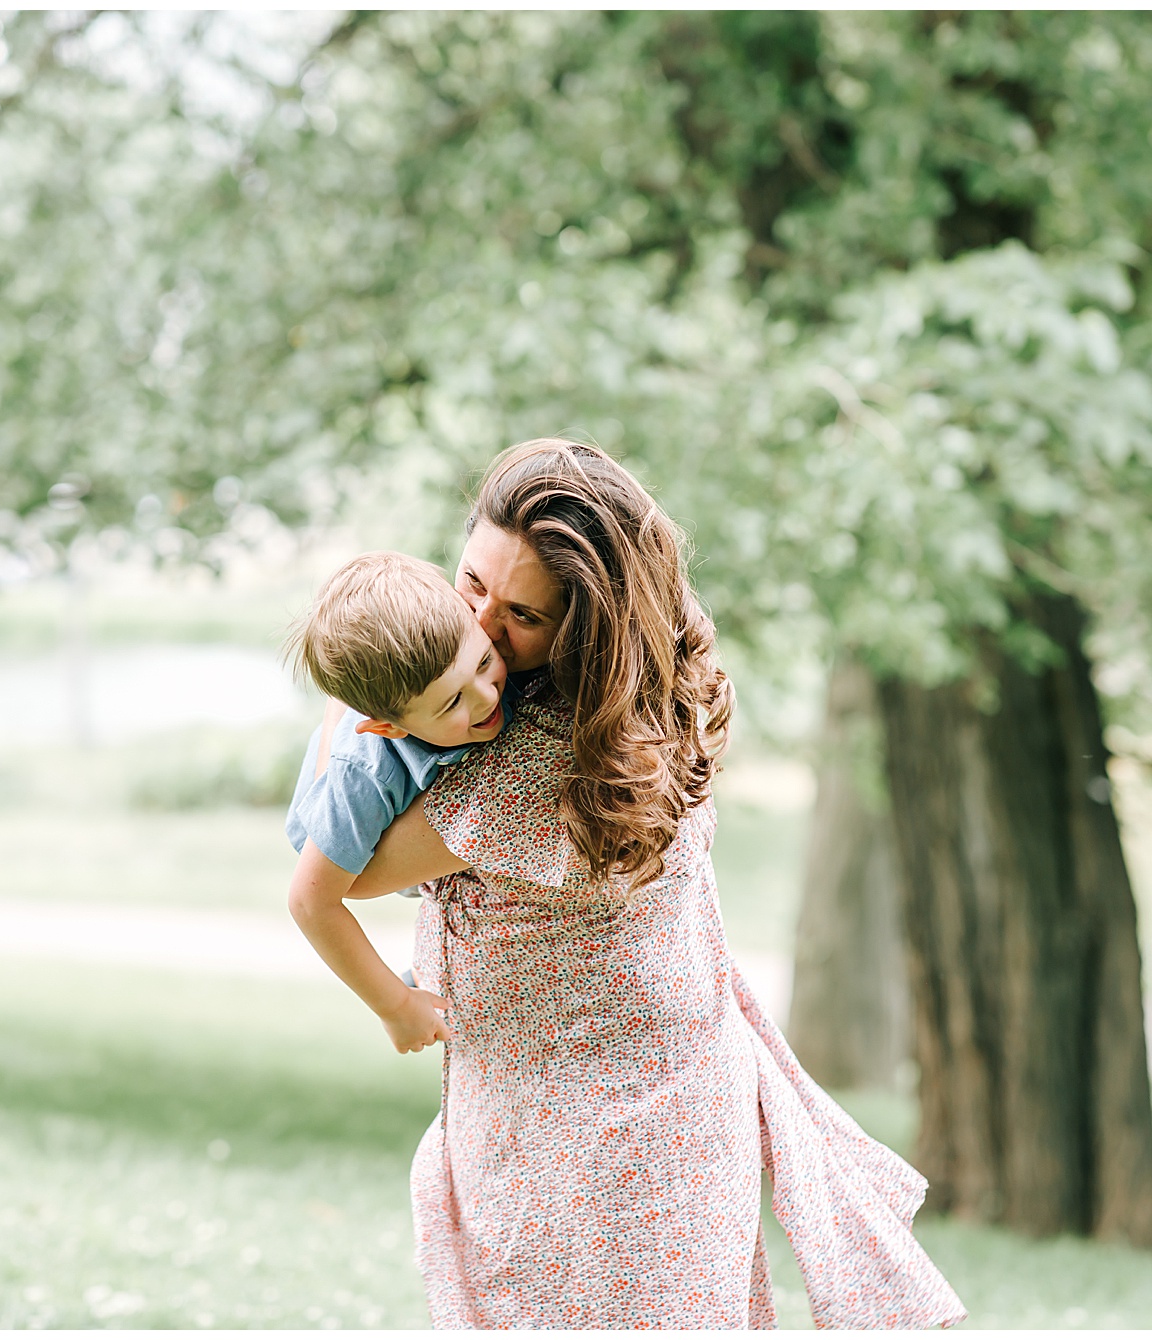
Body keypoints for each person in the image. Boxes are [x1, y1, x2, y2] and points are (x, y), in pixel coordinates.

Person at [346, 439, 968, 1329]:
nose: (479, 628)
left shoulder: (530, 760)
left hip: (596, 1146)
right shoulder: (642, 701)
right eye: (470, 583)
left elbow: (349, 871)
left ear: (585, 629)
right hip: (647, 1107)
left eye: (521, 614)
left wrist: (361, 701)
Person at [281, 551, 515, 1055]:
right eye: (452, 702)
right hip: (341, 822)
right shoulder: (365, 775)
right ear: (390, 727)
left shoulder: (463, 669)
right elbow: (310, 901)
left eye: (482, 662)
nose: (486, 698)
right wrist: (394, 1004)